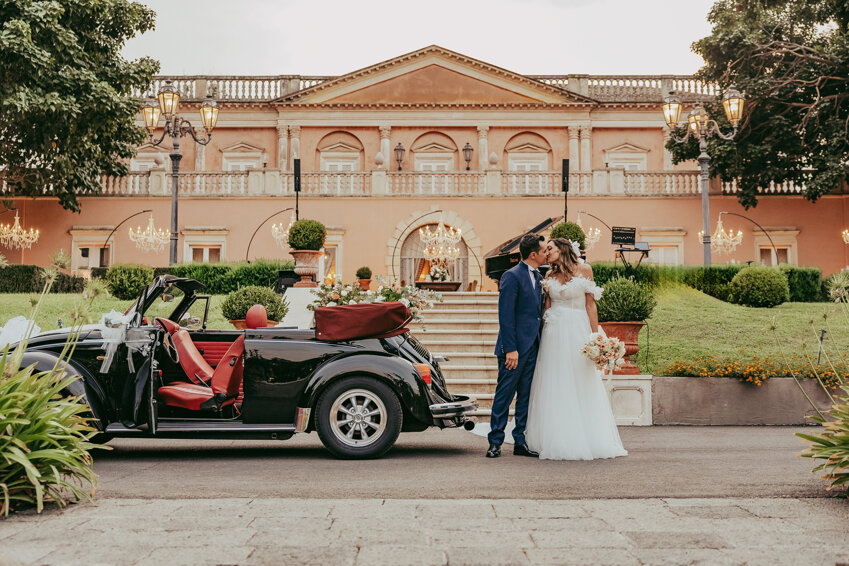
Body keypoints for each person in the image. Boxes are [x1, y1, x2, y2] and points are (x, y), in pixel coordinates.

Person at [525, 238, 627, 460]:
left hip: (577, 331)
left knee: (580, 379)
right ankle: (554, 433)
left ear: (562, 250)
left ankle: (586, 434)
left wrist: (597, 336)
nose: (546, 252)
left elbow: (591, 304)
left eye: (550, 249)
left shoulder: (585, 269)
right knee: (555, 380)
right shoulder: (549, 275)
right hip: (553, 333)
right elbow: (546, 307)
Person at [485, 233, 547, 459]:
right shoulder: (511, 276)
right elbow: (506, 315)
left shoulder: (540, 277)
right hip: (513, 349)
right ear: (533, 254)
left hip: (533, 347)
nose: (546, 254)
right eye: (543, 251)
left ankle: (519, 441)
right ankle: (495, 442)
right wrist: (510, 348)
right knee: (504, 395)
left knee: (525, 397)